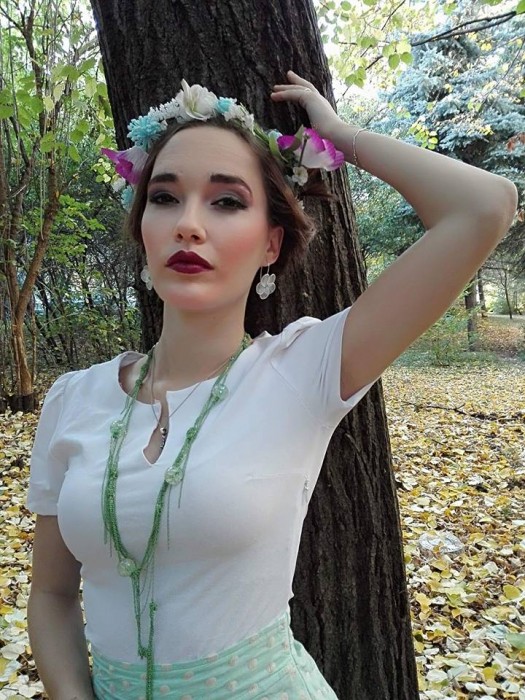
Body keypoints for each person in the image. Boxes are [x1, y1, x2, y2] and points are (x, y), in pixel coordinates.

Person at [26, 71, 517, 700]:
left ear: (271, 243)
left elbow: (484, 207)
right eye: (165, 197)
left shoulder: (303, 369)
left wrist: (341, 136)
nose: (189, 225)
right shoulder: (73, 400)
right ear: (142, 226)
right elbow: (51, 593)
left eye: (227, 202)